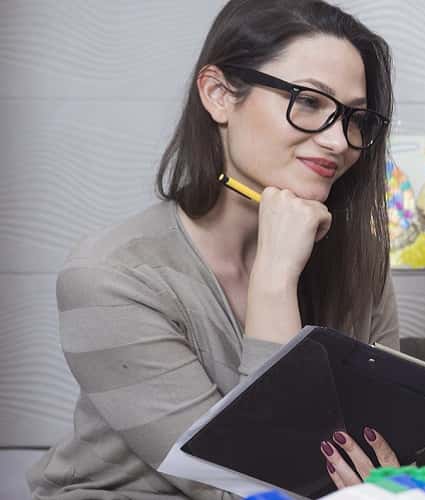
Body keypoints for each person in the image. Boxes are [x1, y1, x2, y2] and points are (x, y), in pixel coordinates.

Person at [28, 0, 404, 497]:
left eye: (355, 118)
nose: (339, 141)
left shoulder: (360, 266)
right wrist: (274, 277)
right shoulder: (110, 277)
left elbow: (379, 460)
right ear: (219, 94)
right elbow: (253, 487)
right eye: (309, 101)